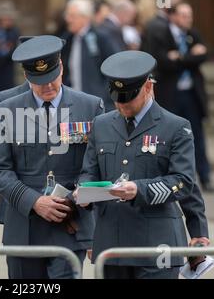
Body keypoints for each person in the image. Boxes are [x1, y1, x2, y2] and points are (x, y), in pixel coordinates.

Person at [0, 35, 104, 278]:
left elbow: (95, 165)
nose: (48, 86)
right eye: (40, 81)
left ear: (61, 67)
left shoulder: (90, 106)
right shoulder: (8, 109)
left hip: (69, 223)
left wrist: (77, 198)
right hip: (24, 225)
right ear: (27, 77)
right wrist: (35, 202)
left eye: (52, 78)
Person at [78, 50, 197, 279]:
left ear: (148, 87)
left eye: (129, 98)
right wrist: (83, 192)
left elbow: (183, 182)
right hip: (112, 243)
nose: (122, 105)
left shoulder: (176, 127)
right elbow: (88, 171)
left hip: (156, 244)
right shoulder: (101, 125)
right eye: (117, 98)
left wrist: (139, 190)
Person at [142, 2, 212, 192]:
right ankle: (167, 177)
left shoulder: (193, 34)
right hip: (170, 94)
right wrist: (189, 57)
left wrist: (180, 57)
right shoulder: (162, 33)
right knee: (168, 135)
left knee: (197, 135)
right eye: (183, 15)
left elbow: (204, 56)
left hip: (191, 94)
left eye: (189, 15)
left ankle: (204, 177)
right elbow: (163, 62)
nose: (187, 18)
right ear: (172, 16)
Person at [61, 0, 121, 111]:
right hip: (72, 104)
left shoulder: (101, 37)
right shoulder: (67, 39)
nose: (68, 19)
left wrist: (104, 97)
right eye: (67, 15)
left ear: (85, 18)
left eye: (72, 16)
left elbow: (115, 69)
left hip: (96, 105)